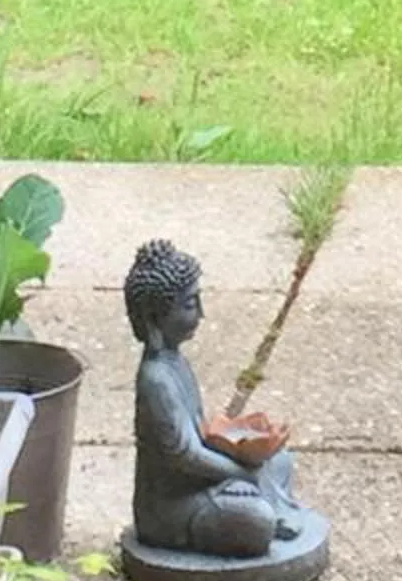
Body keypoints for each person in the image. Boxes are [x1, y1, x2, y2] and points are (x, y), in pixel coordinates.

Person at [123, 237, 308, 557]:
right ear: (154, 318)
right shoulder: (155, 380)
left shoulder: (176, 363)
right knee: (255, 519)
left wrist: (237, 449)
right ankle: (263, 508)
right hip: (172, 507)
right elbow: (185, 456)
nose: (202, 314)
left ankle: (264, 499)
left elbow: (199, 434)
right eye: (189, 305)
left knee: (280, 460)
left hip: (199, 482)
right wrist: (241, 473)